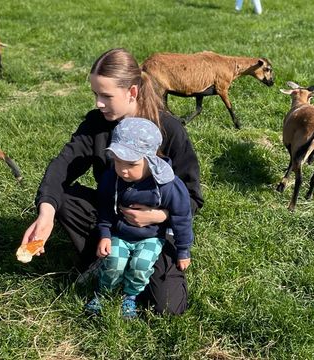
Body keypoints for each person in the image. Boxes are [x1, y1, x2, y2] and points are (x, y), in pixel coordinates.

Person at [21, 48, 204, 315]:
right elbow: (62, 165)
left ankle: (132, 273)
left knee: (168, 308)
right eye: (95, 94)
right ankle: (102, 259)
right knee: (61, 197)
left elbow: (192, 196)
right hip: (111, 216)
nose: (98, 103)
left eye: (106, 96)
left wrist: (159, 215)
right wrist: (46, 213)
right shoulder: (97, 124)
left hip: (156, 232)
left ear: (132, 92)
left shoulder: (168, 129)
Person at [85, 117, 194, 319]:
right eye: (117, 161)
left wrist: (183, 250)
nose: (123, 169)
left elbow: (182, 217)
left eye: (131, 163)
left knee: (141, 265)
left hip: (151, 237)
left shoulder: (168, 185)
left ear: (150, 159)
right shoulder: (112, 178)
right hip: (120, 233)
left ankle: (130, 295)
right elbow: (106, 208)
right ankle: (103, 292)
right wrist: (105, 234)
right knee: (113, 262)